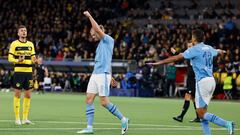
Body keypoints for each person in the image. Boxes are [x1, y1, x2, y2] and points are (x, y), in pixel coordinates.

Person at [147, 29, 234, 135]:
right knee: (203, 113)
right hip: (211, 80)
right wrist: (221, 51)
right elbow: (217, 51)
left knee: (201, 113)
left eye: (192, 37)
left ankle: (227, 124)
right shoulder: (208, 48)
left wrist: (159, 63)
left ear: (194, 38)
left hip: (202, 82)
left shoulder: (194, 49)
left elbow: (176, 58)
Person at [77, 11, 129, 135]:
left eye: (93, 34)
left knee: (104, 102)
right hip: (96, 74)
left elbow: (96, 28)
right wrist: (111, 76)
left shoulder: (108, 40)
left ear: (98, 31)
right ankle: (89, 127)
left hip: (102, 75)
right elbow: (108, 62)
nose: (92, 37)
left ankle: (123, 119)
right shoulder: (100, 44)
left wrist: (89, 16)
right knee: (89, 99)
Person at [8, 25, 37, 125]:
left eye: (25, 30)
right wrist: (17, 60)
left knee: (28, 95)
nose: (24, 32)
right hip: (19, 72)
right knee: (17, 94)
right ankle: (17, 118)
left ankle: (25, 118)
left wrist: (35, 60)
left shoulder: (31, 44)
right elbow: (9, 58)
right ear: (18, 33)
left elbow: (33, 57)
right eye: (22, 31)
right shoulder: (14, 44)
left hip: (29, 72)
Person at [171, 44, 200, 123]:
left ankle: (181, 116)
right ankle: (199, 117)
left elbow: (182, 55)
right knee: (193, 98)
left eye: (190, 46)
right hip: (191, 79)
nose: (188, 48)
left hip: (193, 79)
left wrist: (176, 52)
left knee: (187, 96)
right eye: (188, 46)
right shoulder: (191, 53)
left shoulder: (193, 54)